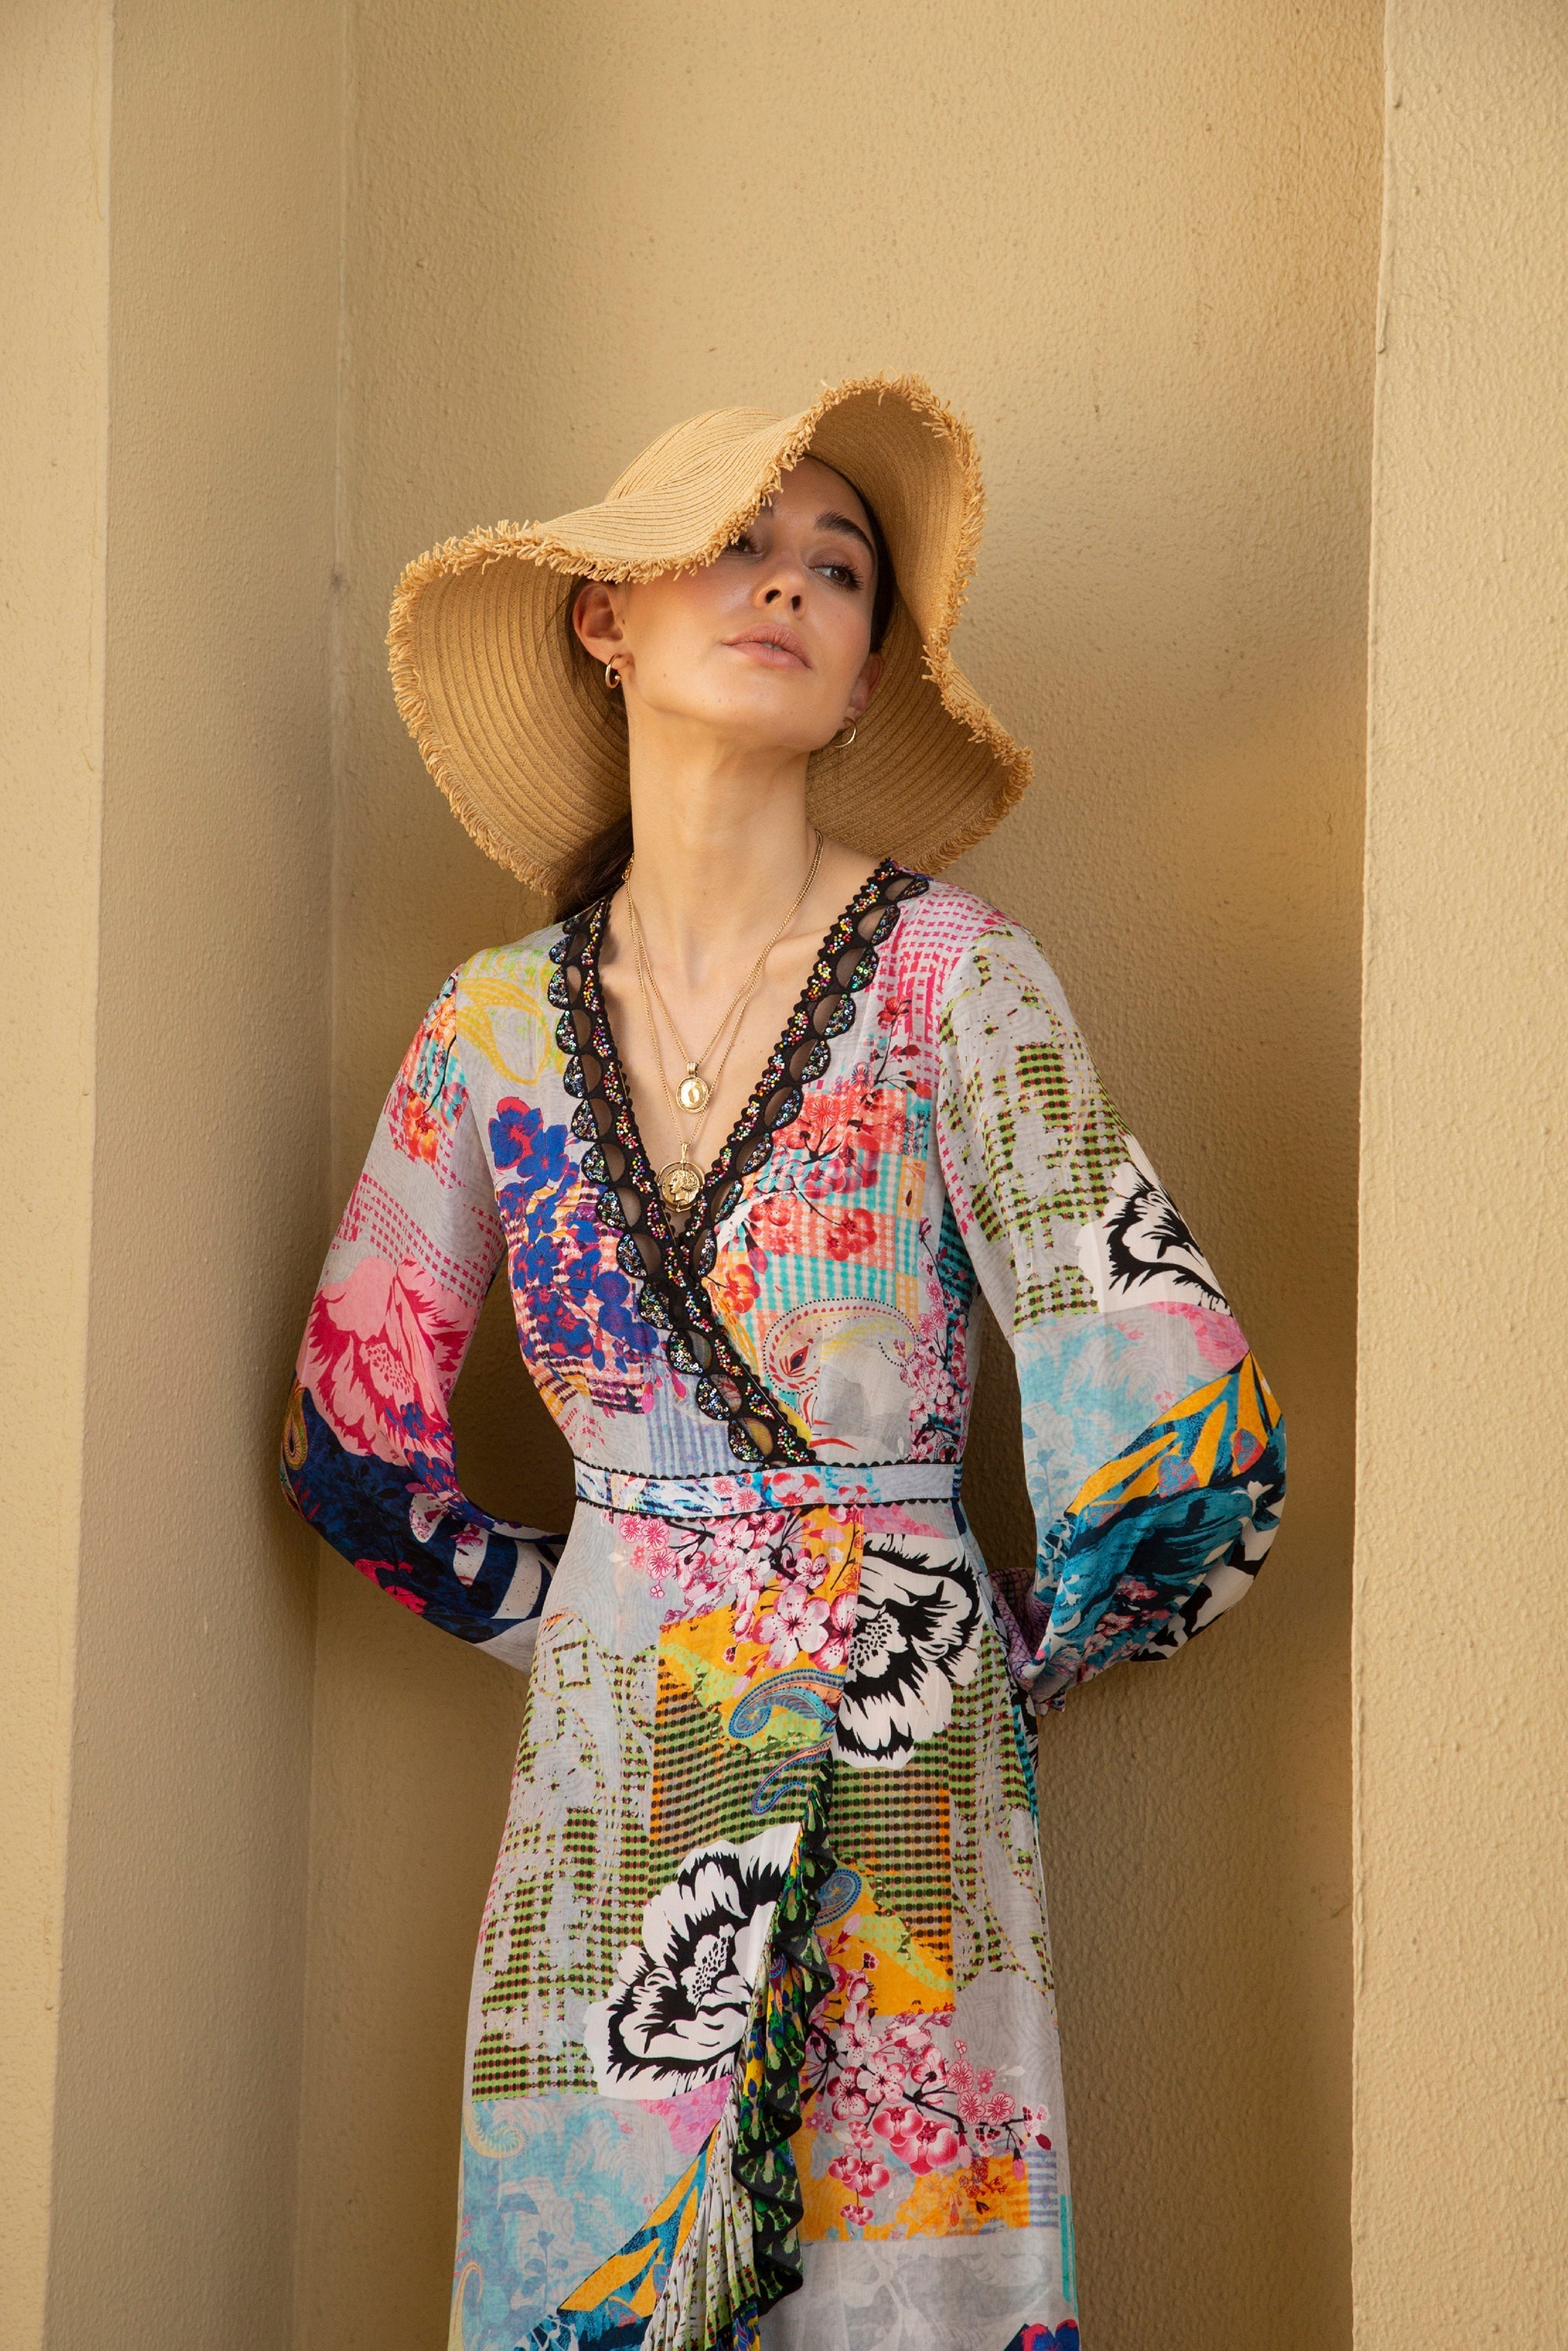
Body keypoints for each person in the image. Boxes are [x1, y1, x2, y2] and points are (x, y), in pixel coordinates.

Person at [281, 374, 1285, 2351]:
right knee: (595, 2288)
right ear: (605, 617)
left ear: (860, 682)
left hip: (898, 1805)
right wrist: (594, 1613)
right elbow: (348, 1443)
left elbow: (1181, 1432)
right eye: (735, 544)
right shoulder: (492, 1028)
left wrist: (982, 1649)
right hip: (607, 1797)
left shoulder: (951, 980)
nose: (788, 585)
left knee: (904, 2296)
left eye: (836, 570)